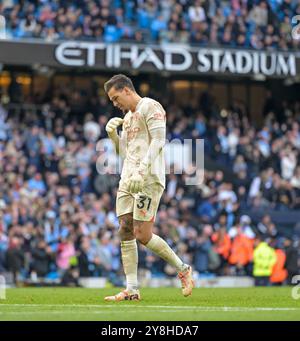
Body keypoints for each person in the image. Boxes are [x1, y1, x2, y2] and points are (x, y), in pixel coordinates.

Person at [103, 74, 194, 301]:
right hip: (128, 178)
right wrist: (114, 137)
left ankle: (182, 268)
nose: (115, 104)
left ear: (126, 90)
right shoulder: (129, 117)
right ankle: (132, 289)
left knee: (142, 234)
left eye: (115, 98)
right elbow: (125, 153)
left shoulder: (151, 106)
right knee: (124, 228)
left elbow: (159, 141)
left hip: (148, 178)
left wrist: (142, 169)